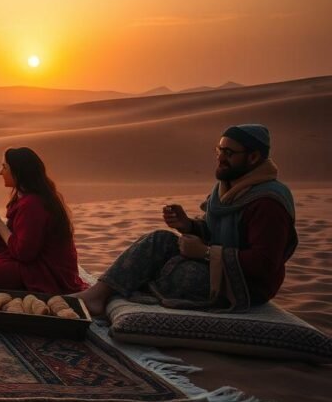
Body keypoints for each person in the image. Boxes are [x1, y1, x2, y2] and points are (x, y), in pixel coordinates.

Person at [72, 124, 297, 316]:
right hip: (217, 268)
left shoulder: (268, 202)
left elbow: (265, 264)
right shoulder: (228, 189)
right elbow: (214, 233)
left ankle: (134, 292)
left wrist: (205, 253)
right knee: (158, 240)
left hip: (244, 286)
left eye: (228, 152)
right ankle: (97, 295)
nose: (220, 158)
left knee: (180, 273)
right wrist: (189, 226)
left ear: (253, 157)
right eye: (219, 150)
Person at [0, 147, 87, 294]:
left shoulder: (33, 204)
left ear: (18, 172)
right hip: (32, 259)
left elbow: (24, 253)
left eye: (4, 167)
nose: (0, 172)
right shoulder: (25, 196)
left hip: (47, 271)